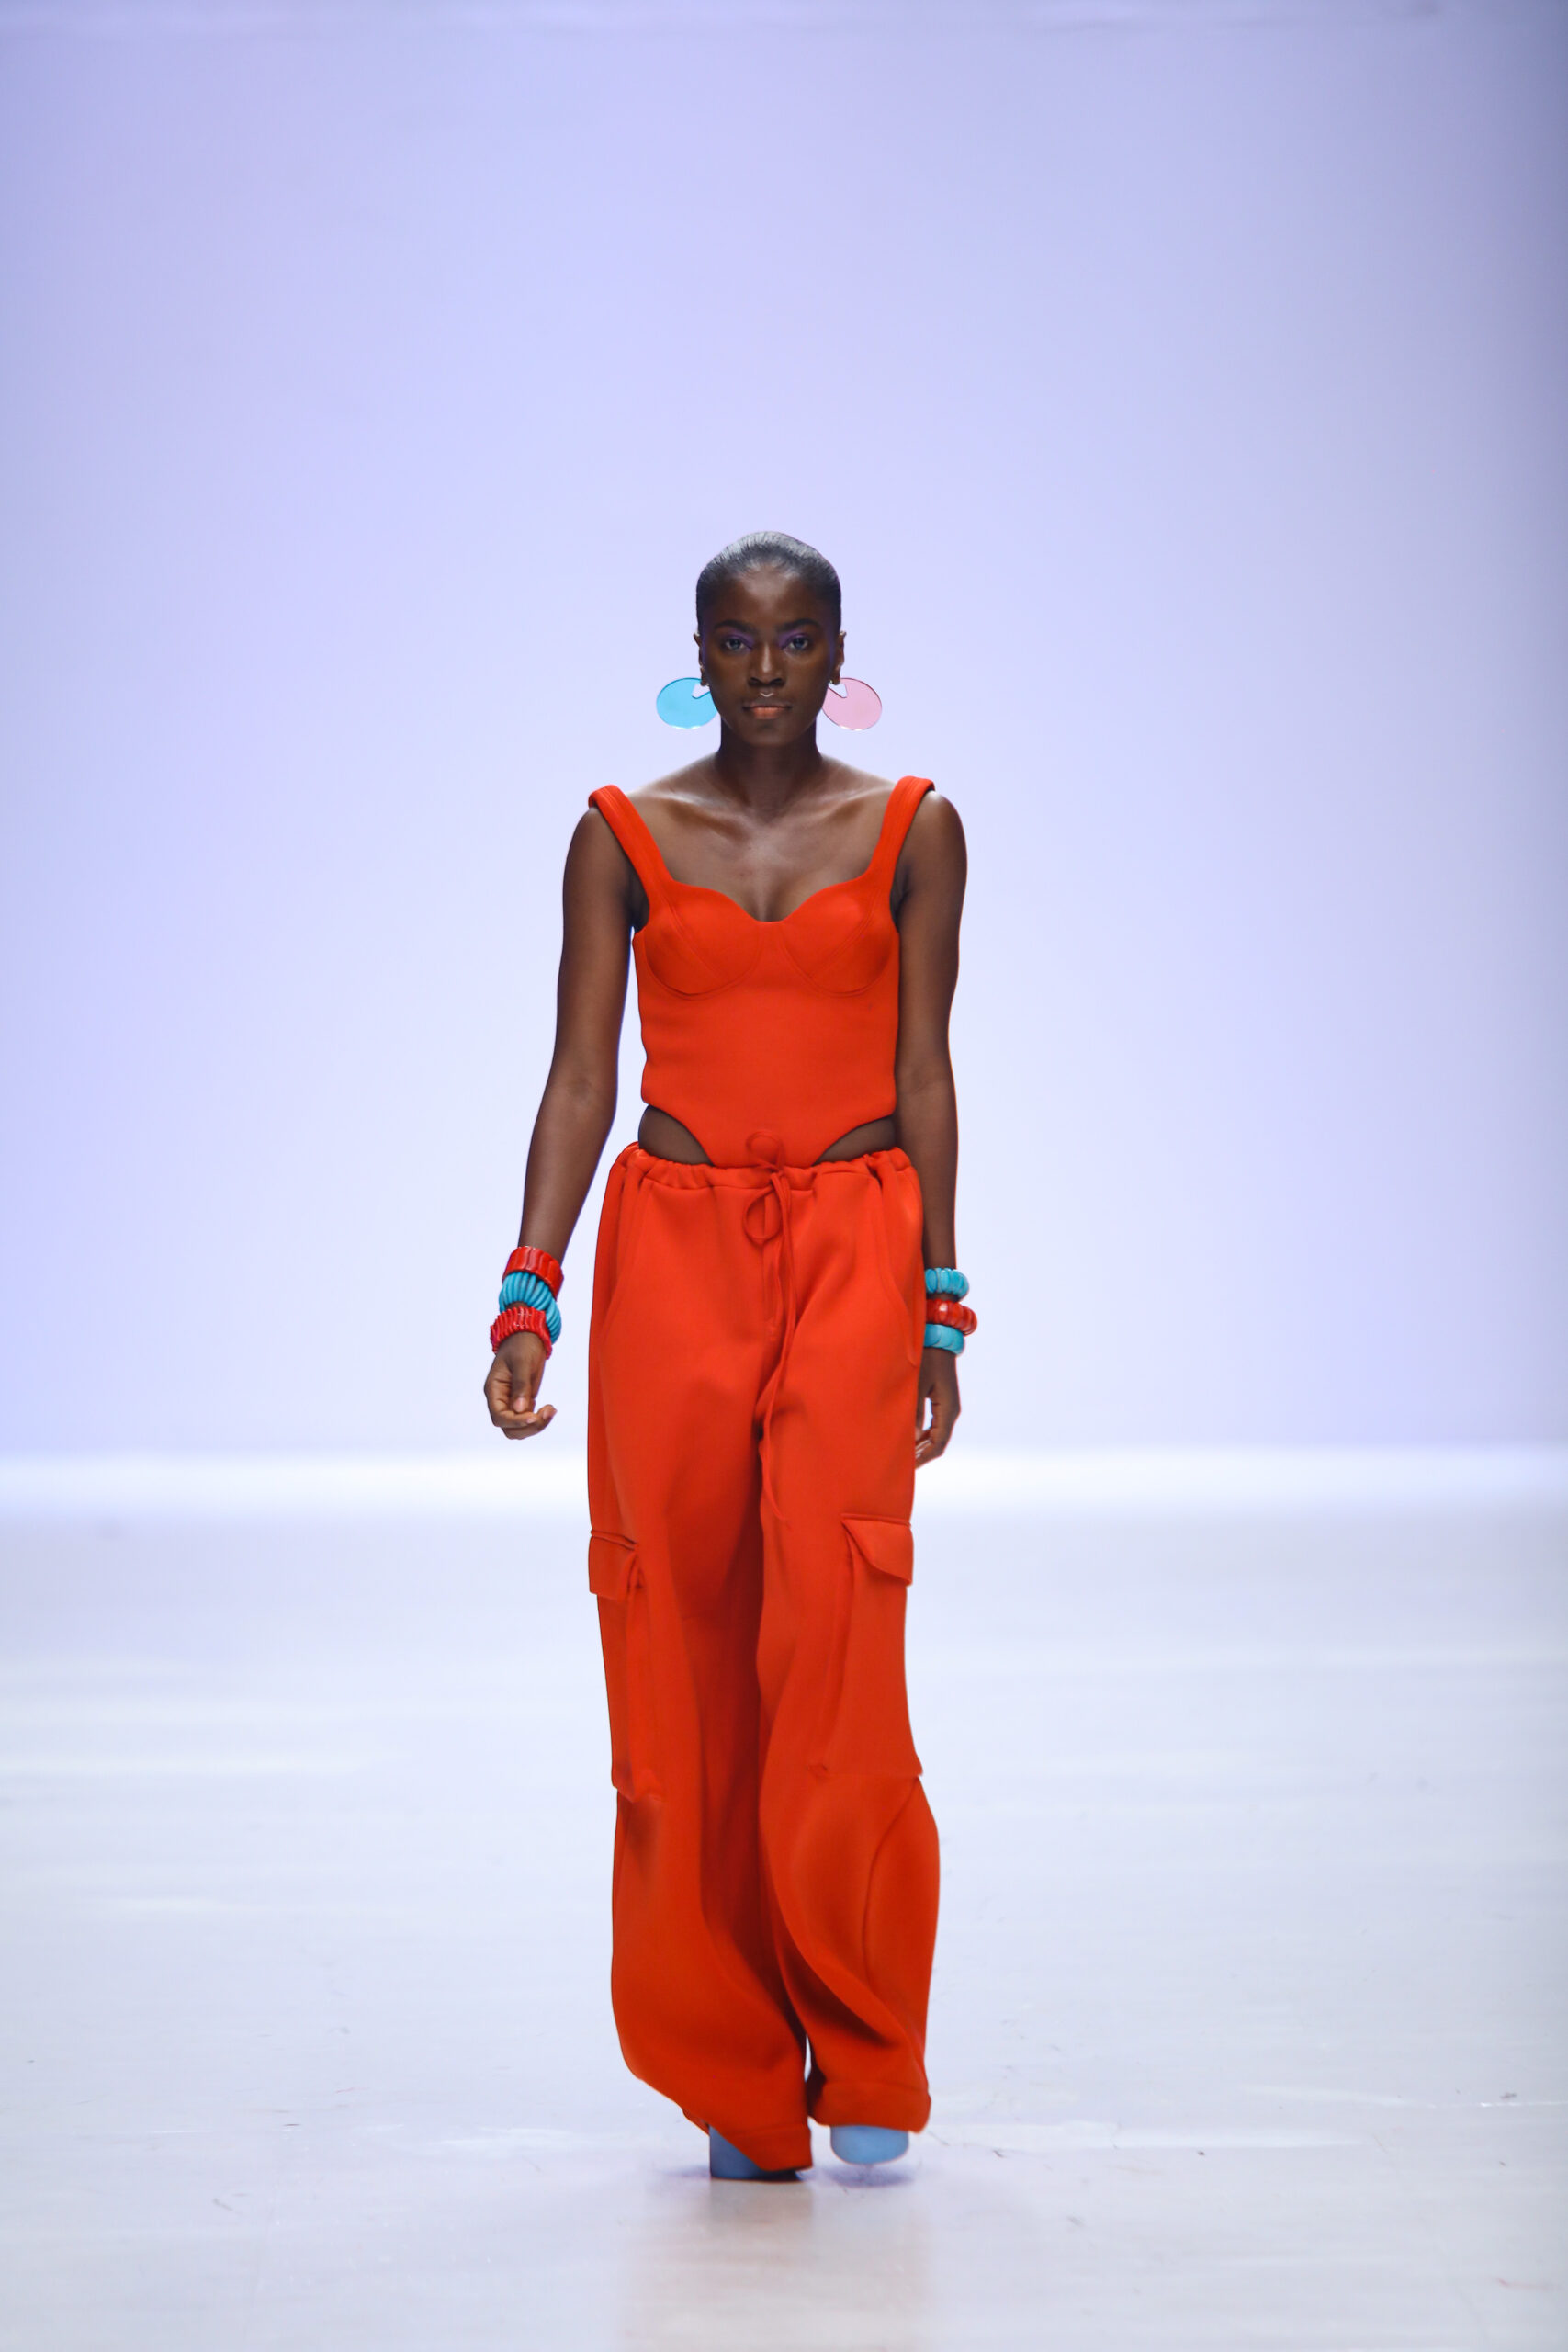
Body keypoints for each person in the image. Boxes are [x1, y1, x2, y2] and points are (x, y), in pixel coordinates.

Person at [484, 531, 970, 2181]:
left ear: (841, 651)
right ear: (696, 656)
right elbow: (579, 1076)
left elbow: (926, 1068)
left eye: (798, 637)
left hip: (853, 1244)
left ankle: (869, 2042)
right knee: (678, 1652)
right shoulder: (622, 835)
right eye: (738, 640)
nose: (768, 668)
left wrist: (941, 1299)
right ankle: (736, 2071)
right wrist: (530, 1289)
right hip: (676, 1255)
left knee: (839, 1639)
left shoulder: (914, 829)